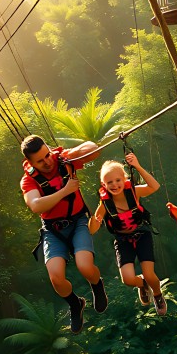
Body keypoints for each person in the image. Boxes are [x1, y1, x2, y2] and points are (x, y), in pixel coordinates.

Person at [20, 135, 108, 334]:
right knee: (57, 279)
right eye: (40, 161)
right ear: (30, 163)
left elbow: (94, 149)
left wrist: (69, 155)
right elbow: (35, 205)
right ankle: (75, 304)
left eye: (47, 155)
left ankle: (97, 285)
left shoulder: (63, 161)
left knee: (85, 266)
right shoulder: (29, 181)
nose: (47, 162)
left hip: (78, 221)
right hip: (53, 230)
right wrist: (65, 191)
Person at [89, 152, 167, 316]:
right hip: (122, 239)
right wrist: (93, 220)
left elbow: (155, 186)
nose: (115, 185)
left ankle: (158, 295)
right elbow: (93, 230)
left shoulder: (133, 192)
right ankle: (142, 284)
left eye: (118, 180)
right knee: (128, 280)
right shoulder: (105, 203)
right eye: (109, 182)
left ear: (124, 179)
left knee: (149, 272)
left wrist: (137, 166)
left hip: (141, 234)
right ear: (104, 185)